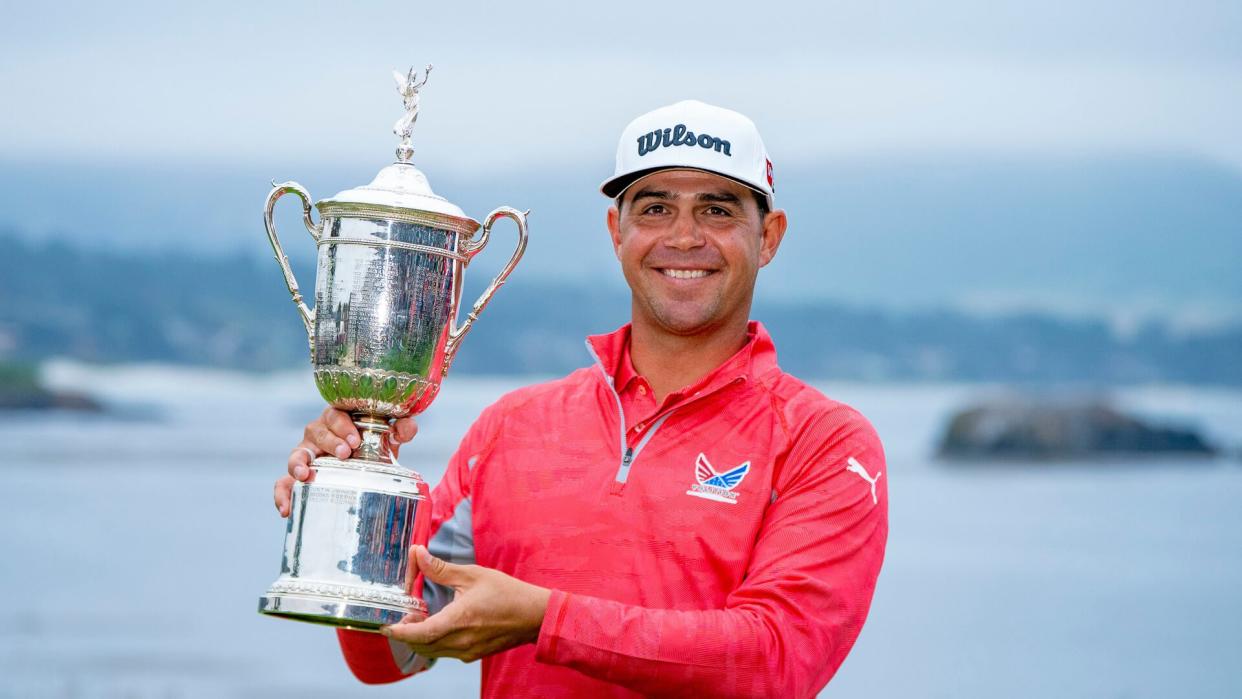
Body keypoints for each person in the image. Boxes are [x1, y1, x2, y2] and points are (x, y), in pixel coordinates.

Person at [273, 99, 888, 698]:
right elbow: (390, 653)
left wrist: (547, 620)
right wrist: (350, 506)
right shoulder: (513, 427)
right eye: (654, 208)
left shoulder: (825, 441)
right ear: (617, 231)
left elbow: (777, 663)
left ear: (769, 237)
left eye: (718, 210)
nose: (683, 236)